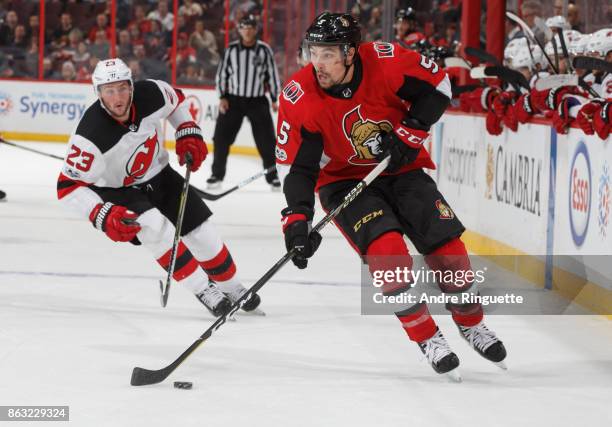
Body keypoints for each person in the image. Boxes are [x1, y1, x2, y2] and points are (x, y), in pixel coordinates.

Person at [275, 13, 507, 378]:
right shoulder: (301, 96)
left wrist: (410, 132)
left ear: (350, 52)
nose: (317, 64)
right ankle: (427, 337)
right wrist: (297, 220)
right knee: (388, 256)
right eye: (313, 53)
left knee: (450, 252)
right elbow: (301, 170)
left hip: (401, 169)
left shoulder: (386, 61)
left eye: (328, 54)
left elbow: (439, 88)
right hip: (344, 183)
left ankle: (471, 322)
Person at [56, 58, 261, 317]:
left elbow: (175, 103)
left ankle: (233, 288)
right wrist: (100, 213)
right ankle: (203, 289)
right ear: (98, 93)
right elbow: (67, 188)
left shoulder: (150, 93)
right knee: (155, 227)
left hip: (159, 175)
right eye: (109, 91)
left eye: (122, 88)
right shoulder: (89, 136)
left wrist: (186, 129)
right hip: (119, 190)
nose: (117, 97)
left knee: (202, 231)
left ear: (131, 86)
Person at [209, 14, 281, 189]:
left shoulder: (264, 50)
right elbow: (222, 75)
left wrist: (273, 98)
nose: (247, 31)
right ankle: (216, 175)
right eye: (244, 27)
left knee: (267, 140)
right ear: (239, 30)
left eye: (250, 27)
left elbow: (272, 75)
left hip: (257, 100)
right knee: (221, 137)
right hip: (233, 100)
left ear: (255, 30)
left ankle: (272, 176)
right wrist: (222, 97)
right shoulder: (231, 50)